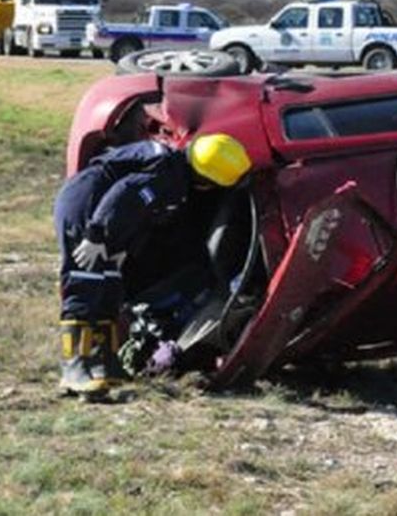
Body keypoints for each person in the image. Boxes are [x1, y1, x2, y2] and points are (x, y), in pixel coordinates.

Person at [54, 133, 252, 397]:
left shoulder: (173, 167)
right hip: (88, 208)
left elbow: (137, 211)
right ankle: (74, 368)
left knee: (111, 286)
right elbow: (124, 193)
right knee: (86, 281)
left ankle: (105, 364)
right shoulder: (168, 175)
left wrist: (121, 246)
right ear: (206, 180)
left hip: (105, 212)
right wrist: (96, 233)